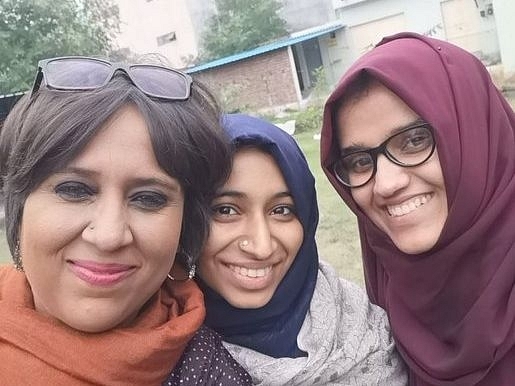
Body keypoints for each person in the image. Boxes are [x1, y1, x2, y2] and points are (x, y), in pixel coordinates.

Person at [0, 56, 251, 385]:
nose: (108, 236)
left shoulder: (211, 375)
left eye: (148, 198)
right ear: (19, 205)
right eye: (74, 190)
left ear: (184, 227)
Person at [321, 32, 515, 385]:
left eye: (414, 141)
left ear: (474, 133)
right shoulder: (381, 309)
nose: (385, 184)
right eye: (360, 160)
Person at [197, 113, 407, 385]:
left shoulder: (359, 326)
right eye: (226, 210)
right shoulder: (157, 349)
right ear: (189, 219)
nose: (261, 247)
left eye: (281, 210)